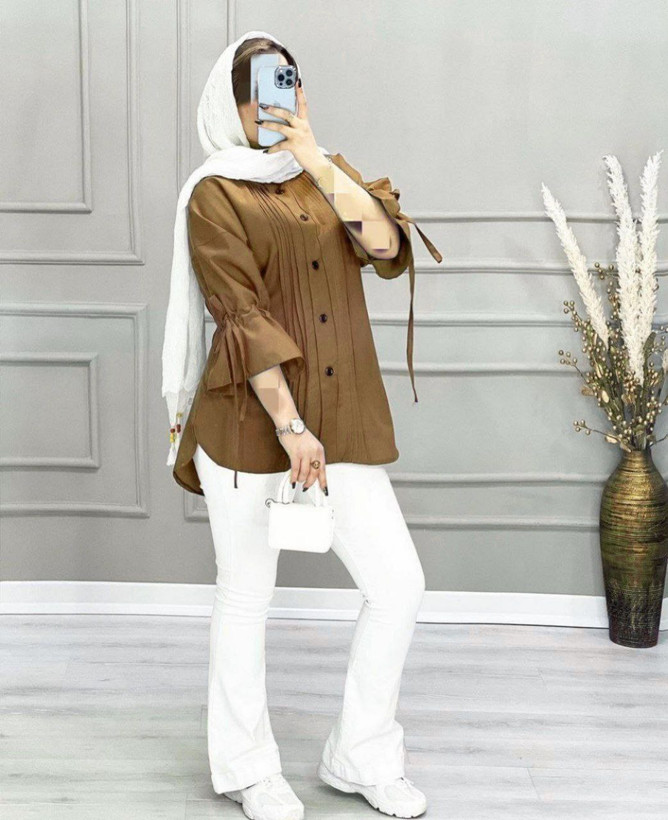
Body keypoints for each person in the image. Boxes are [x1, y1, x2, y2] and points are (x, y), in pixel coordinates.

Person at [162, 30, 442, 820]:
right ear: (231, 102)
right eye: (257, 89)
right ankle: (249, 769)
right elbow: (241, 317)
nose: (272, 104)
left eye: (285, 83)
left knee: (398, 585)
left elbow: (386, 248)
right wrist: (290, 426)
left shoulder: (326, 174)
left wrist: (316, 159)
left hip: (340, 415)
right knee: (246, 594)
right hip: (249, 425)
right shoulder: (214, 194)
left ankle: (360, 756)